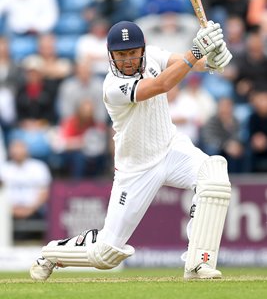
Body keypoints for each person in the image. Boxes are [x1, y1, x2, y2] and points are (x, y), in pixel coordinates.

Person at [30, 19, 232, 281]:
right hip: (136, 169)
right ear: (111, 55)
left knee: (214, 176)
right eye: (121, 54)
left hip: (171, 148)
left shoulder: (154, 56)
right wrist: (197, 52)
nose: (127, 60)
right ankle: (51, 254)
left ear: (142, 49)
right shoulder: (112, 87)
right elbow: (160, 85)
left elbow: (184, 63)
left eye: (132, 52)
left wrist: (212, 61)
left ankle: (198, 264)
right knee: (105, 255)